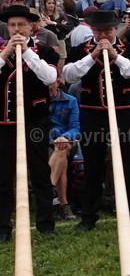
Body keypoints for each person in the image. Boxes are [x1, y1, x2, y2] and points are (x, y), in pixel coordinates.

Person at [62, 10, 130, 231]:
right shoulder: (80, 50)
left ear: (115, 29)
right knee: (93, 166)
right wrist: (92, 56)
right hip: (92, 113)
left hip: (123, 113)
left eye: (108, 30)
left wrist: (116, 57)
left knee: (126, 164)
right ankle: (89, 217)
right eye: (99, 30)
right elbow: (69, 75)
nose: (104, 35)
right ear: (91, 29)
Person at [0, 5, 58, 242]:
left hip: (35, 120)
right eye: (12, 25)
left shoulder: (43, 50)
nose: (16, 29)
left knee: (40, 171)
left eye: (21, 25)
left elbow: (51, 77)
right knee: (3, 176)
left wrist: (26, 52)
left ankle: (45, 224)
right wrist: (5, 54)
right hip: (4, 121)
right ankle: (3, 228)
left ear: (31, 26)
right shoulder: (0, 51)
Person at [47, 80, 79, 221]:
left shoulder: (71, 101)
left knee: (62, 147)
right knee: (62, 159)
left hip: (68, 141)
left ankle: (49, 188)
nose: (49, 86)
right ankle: (63, 205)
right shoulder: (38, 101)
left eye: (51, 83)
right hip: (44, 141)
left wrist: (64, 137)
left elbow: (75, 127)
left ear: (57, 83)